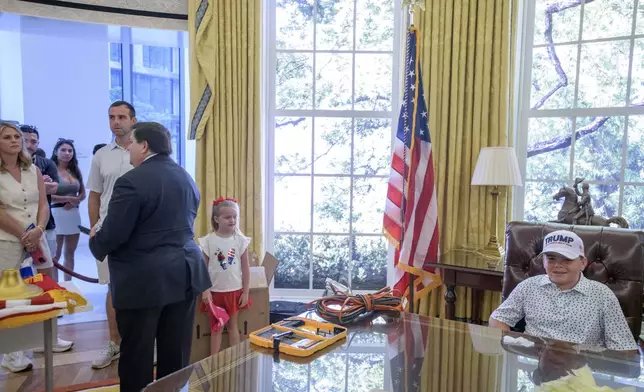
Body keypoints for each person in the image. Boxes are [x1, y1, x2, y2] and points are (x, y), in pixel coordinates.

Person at [89, 122, 211, 392]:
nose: (128, 149)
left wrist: (95, 240)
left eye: (131, 143)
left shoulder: (131, 181)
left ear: (144, 146)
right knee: (176, 352)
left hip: (144, 279)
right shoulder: (185, 176)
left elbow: (114, 234)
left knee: (137, 355)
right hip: (185, 273)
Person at [489, 230, 637, 351]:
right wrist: (516, 349)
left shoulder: (602, 295)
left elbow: (624, 347)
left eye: (567, 259)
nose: (557, 265)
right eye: (551, 258)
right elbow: (498, 319)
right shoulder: (528, 286)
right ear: (543, 261)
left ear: (582, 263)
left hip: (582, 370)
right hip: (537, 364)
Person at [86, 101, 136, 369]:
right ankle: (114, 344)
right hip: (108, 232)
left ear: (133, 120)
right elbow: (94, 195)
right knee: (112, 289)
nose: (116, 122)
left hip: (139, 234)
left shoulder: (144, 152)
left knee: (142, 289)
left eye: (121, 117)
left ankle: (143, 343)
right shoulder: (101, 156)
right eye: (111, 117)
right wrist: (94, 227)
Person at [0, 122, 51, 372]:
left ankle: (34, 343)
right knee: (10, 296)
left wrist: (39, 229)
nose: (13, 141)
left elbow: (43, 203)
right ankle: (10, 353)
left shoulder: (32, 170)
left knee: (35, 291)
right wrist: (24, 234)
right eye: (6, 137)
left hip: (37, 241)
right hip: (7, 242)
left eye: (16, 136)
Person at [20, 126, 75, 354]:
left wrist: (39, 228)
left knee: (46, 281)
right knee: (20, 285)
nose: (29, 144)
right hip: (13, 234)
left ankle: (49, 336)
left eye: (34, 140)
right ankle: (18, 346)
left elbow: (54, 189)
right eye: (25, 140)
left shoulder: (43, 163)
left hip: (45, 228)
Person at [199, 198, 251, 355]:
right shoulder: (208, 241)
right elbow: (203, 268)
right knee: (216, 329)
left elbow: (245, 268)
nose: (232, 220)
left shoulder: (240, 241)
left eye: (234, 216)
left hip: (234, 292)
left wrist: (246, 291)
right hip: (214, 293)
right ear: (216, 219)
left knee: (233, 327)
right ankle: (213, 363)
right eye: (227, 217)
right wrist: (205, 291)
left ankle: (235, 361)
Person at [50, 138, 85, 281]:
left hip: (73, 214)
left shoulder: (75, 170)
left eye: (70, 150)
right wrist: (66, 199)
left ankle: (68, 285)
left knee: (70, 253)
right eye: (63, 150)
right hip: (57, 213)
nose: (67, 153)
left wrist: (76, 200)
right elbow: (46, 194)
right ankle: (55, 286)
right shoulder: (50, 169)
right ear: (56, 152)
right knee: (55, 255)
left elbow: (83, 193)